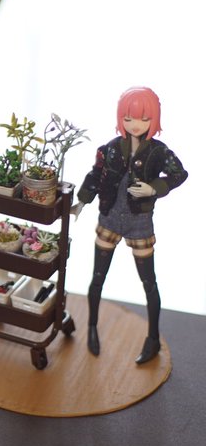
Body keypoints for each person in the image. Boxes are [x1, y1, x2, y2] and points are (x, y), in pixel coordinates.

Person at [71, 86, 187, 364]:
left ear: (154, 120)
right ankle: (91, 328)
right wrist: (82, 201)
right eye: (129, 118)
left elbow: (179, 173)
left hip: (139, 221)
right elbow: (96, 175)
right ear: (120, 118)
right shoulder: (110, 148)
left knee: (149, 282)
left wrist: (154, 188)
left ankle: (153, 339)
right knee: (98, 278)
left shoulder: (158, 152)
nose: (136, 124)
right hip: (110, 217)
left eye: (144, 119)